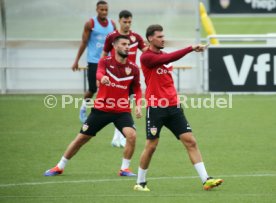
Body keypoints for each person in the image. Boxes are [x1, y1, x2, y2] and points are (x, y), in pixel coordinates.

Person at [133, 24, 223, 191]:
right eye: (160, 36)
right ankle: (140, 182)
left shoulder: (165, 56)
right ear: (151, 38)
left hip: (174, 107)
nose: (163, 39)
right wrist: (190, 48)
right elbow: (168, 59)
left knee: (191, 141)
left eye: (163, 36)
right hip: (156, 108)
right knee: (151, 146)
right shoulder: (146, 57)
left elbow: (166, 71)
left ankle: (206, 179)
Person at [44, 35, 142, 177]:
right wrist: (102, 78)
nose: (127, 46)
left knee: (132, 136)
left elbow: (137, 88)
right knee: (81, 139)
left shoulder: (133, 68)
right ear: (115, 46)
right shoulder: (105, 61)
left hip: (122, 110)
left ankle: (124, 169)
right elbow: (99, 72)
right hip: (101, 109)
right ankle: (60, 166)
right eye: (124, 44)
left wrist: (138, 104)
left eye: (128, 44)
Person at [102, 10, 147, 148]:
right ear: (119, 21)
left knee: (122, 107)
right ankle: (120, 137)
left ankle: (118, 138)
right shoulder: (112, 36)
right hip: (114, 77)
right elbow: (104, 54)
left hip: (130, 77)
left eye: (129, 22)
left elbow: (146, 51)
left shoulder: (136, 37)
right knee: (121, 107)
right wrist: (101, 74)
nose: (127, 24)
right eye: (124, 22)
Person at [72, 0, 116, 123]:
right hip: (94, 61)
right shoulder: (90, 23)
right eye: (101, 9)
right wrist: (76, 61)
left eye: (106, 10)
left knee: (111, 88)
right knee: (92, 89)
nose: (104, 12)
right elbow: (84, 42)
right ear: (97, 10)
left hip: (108, 61)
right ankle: (83, 108)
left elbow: (115, 44)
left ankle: (108, 112)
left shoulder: (112, 24)